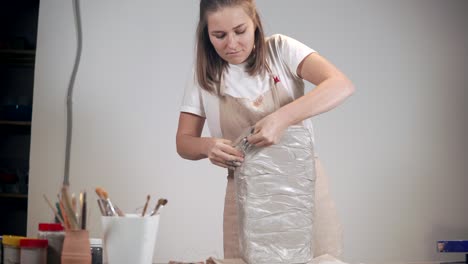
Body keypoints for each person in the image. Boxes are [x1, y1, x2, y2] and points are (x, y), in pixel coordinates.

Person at [176, 0, 355, 259]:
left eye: (240, 31)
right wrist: (207, 146)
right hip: (245, 195)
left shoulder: (281, 50)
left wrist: (282, 118)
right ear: (206, 34)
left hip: (303, 187)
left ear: (255, 24)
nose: (232, 44)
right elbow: (183, 142)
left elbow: (341, 84)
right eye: (219, 35)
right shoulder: (203, 75)